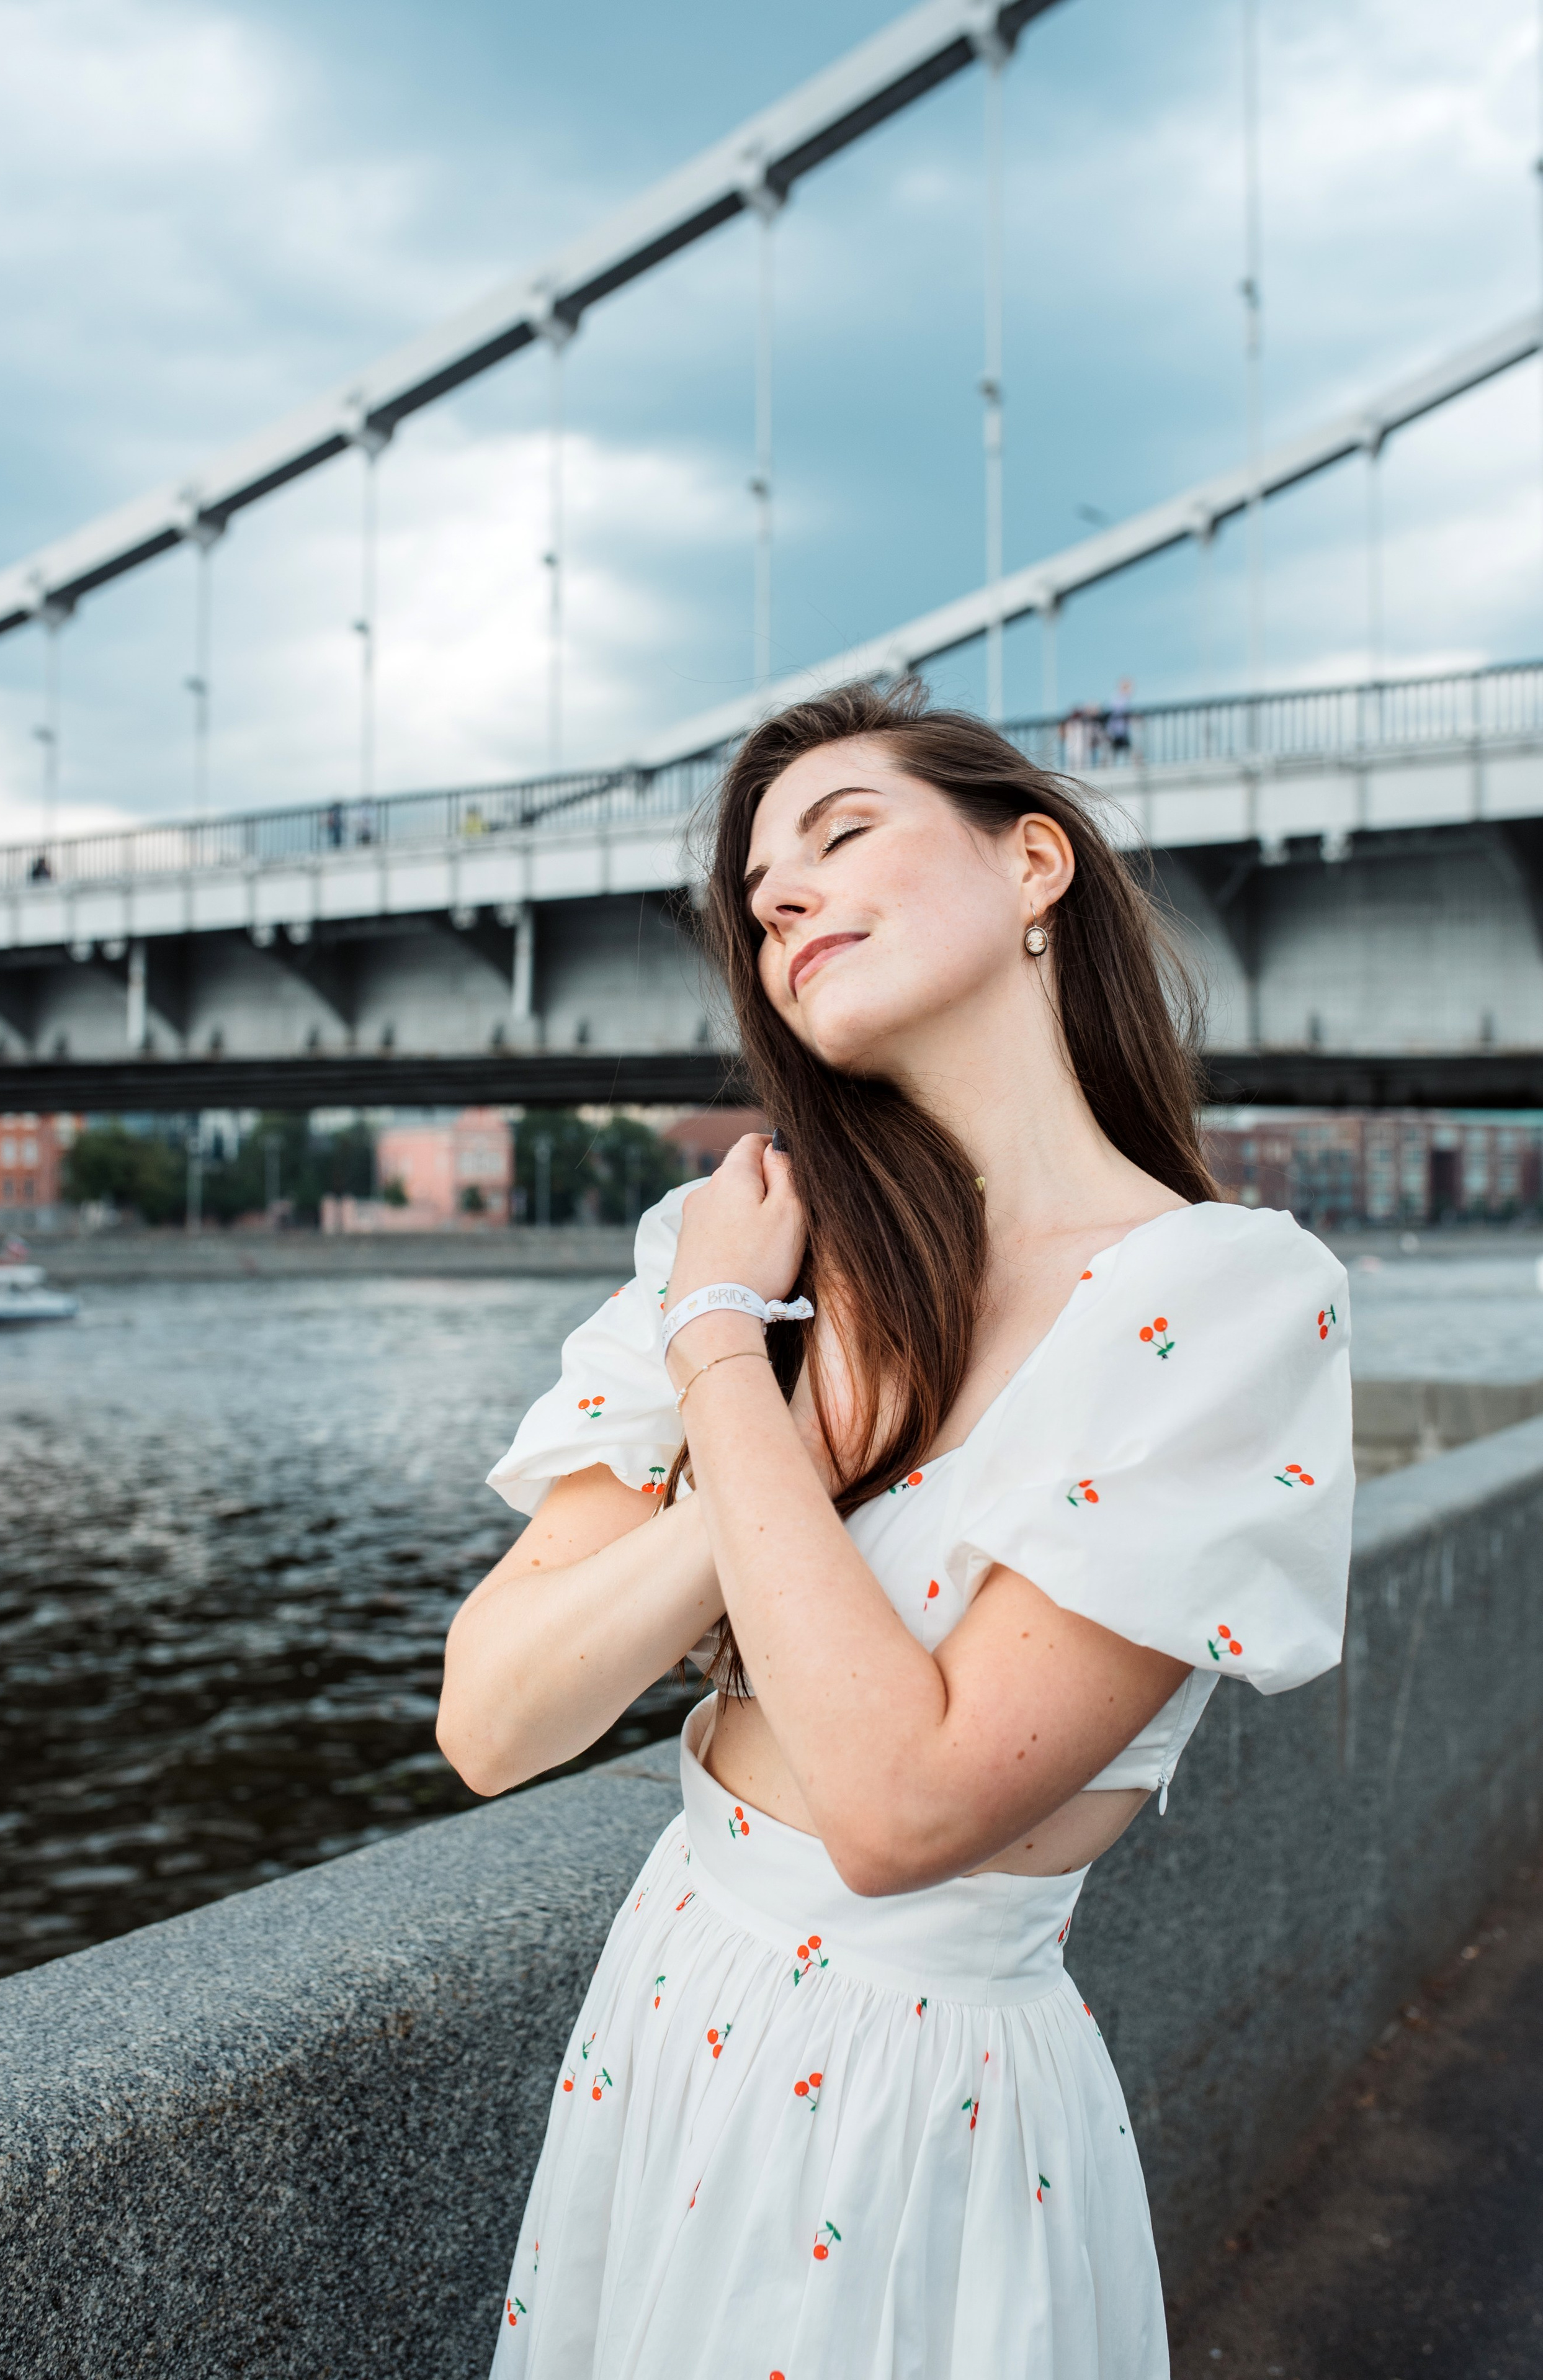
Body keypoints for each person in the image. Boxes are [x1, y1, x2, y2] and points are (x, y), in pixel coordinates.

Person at [440, 679, 1352, 2379]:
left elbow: (900, 1803)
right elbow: (494, 1720)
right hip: (660, 2024)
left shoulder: (1227, 1300)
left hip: (912, 2105)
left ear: (1032, 866)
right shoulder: (733, 1241)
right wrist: (767, 1416)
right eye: (759, 888)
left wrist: (720, 1360)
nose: (779, 892)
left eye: (842, 832)